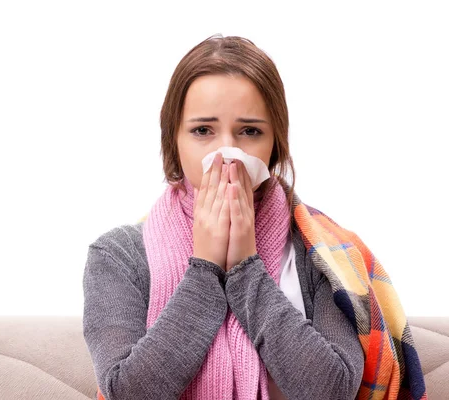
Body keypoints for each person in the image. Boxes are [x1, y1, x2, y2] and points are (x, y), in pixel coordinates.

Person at [82, 34, 427, 400]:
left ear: (275, 143)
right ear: (174, 141)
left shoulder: (321, 251)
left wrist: (247, 267)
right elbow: (127, 393)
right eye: (203, 131)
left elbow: (333, 390)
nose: (226, 153)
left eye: (250, 131)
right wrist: (205, 269)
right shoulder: (117, 256)